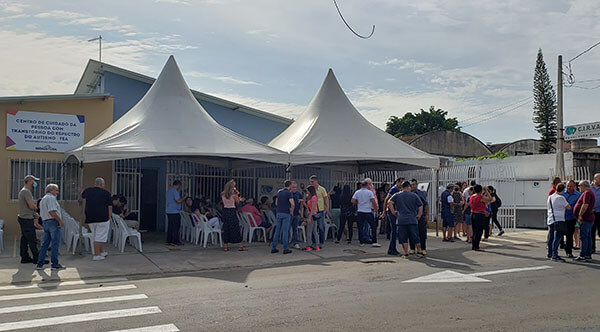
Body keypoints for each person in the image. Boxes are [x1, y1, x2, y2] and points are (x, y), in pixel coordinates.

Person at [389, 181, 424, 258]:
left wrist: (393, 212)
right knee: (415, 236)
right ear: (409, 187)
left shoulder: (396, 195)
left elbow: (390, 202)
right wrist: (419, 214)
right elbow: (420, 205)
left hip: (401, 219)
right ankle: (419, 251)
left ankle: (405, 253)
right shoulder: (414, 195)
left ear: (402, 187)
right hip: (412, 219)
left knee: (403, 237)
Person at [81, 177, 112, 261]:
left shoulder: (88, 191)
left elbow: (82, 195)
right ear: (102, 184)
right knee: (100, 237)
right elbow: (109, 207)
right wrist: (109, 217)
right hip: (102, 217)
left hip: (90, 217)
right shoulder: (106, 193)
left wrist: (82, 190)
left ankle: (101, 251)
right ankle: (96, 254)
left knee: (96, 235)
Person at [36, 184, 65, 271]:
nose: (57, 192)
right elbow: (52, 211)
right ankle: (54, 264)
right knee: (55, 243)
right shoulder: (51, 198)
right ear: (51, 190)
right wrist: (60, 220)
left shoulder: (43, 199)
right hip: (53, 222)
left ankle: (40, 263)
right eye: (56, 190)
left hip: (45, 222)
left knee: (45, 244)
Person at [17, 175, 41, 264]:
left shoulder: (23, 191)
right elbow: (31, 205)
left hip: (23, 217)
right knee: (32, 239)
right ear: (29, 181)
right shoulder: (26, 192)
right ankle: (37, 258)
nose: (35, 183)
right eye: (34, 181)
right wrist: (36, 209)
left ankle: (24, 257)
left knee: (25, 239)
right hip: (27, 219)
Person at [546, 183, 570, 262]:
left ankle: (549, 253)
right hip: (559, 219)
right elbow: (568, 207)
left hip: (551, 219)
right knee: (557, 238)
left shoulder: (550, 197)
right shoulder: (561, 198)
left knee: (551, 238)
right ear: (563, 190)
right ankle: (555, 255)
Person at [352, 180, 379, 247]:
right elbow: (373, 201)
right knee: (373, 226)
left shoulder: (357, 192)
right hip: (368, 211)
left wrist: (357, 203)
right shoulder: (369, 192)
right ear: (367, 185)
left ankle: (361, 242)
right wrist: (376, 209)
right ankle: (374, 241)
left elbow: (352, 200)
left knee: (360, 227)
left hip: (360, 211)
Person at [221, 180, 246, 252]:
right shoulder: (234, 195)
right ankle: (240, 245)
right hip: (232, 211)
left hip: (225, 211)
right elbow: (238, 201)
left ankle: (225, 246)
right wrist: (238, 196)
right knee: (235, 227)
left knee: (226, 228)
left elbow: (224, 202)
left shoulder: (223, 194)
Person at [574, 180, 596, 261]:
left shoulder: (587, 193)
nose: (579, 187)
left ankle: (583, 254)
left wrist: (580, 215)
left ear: (584, 185)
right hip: (589, 218)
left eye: (579, 185)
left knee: (583, 237)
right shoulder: (589, 192)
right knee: (588, 236)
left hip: (585, 218)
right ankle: (588, 254)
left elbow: (585, 205)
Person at [271, 181, 294, 254]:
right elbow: (292, 204)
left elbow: (276, 203)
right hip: (286, 213)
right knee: (285, 231)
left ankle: (273, 247)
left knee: (277, 230)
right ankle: (285, 248)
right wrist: (291, 211)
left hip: (279, 212)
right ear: (289, 186)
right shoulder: (289, 193)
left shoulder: (279, 192)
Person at [470, 184, 494, 252]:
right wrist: (486, 191)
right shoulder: (480, 197)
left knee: (474, 231)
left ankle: (474, 245)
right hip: (479, 214)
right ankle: (476, 246)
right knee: (479, 231)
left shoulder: (472, 196)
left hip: (473, 214)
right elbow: (490, 199)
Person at [383, 178, 403, 255]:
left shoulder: (398, 189)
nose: (401, 184)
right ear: (397, 182)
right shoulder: (394, 189)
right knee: (394, 230)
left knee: (395, 231)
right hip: (392, 212)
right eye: (400, 182)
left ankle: (391, 248)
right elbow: (387, 200)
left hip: (394, 211)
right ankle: (392, 249)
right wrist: (385, 211)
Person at [410, 179, 429, 255]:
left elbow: (426, 204)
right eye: (411, 185)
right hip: (411, 215)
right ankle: (412, 248)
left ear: (416, 185)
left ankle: (423, 248)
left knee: (422, 232)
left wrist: (427, 215)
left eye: (414, 184)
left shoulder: (421, 193)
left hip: (421, 215)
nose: (413, 186)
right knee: (411, 232)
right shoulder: (408, 194)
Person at [563, 180, 581, 258]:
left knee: (569, 235)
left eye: (571, 186)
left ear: (574, 187)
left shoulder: (578, 195)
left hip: (571, 217)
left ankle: (568, 251)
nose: (569, 188)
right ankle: (553, 252)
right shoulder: (562, 194)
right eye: (568, 186)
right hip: (561, 217)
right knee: (558, 235)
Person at [309, 175, 329, 246]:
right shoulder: (310, 190)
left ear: (316, 181)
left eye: (312, 181)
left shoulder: (322, 189)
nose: (311, 183)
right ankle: (314, 241)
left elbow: (326, 198)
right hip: (313, 211)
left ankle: (321, 241)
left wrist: (327, 207)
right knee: (313, 228)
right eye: (310, 182)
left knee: (320, 226)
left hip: (320, 210)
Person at [166, 180, 187, 246]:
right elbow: (178, 201)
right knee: (176, 227)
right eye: (180, 186)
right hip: (174, 211)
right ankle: (175, 241)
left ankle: (169, 240)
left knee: (170, 226)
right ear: (178, 185)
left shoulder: (169, 191)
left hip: (169, 211)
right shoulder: (175, 191)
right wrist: (184, 197)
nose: (180, 187)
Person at [303, 186, 320, 251]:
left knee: (310, 231)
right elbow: (308, 206)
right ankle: (316, 245)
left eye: (308, 191)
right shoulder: (310, 197)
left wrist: (309, 217)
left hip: (312, 214)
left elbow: (313, 208)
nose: (307, 192)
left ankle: (309, 245)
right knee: (314, 230)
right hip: (311, 213)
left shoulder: (314, 197)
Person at [290, 183, 304, 249]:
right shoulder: (289, 194)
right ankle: (286, 242)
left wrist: (301, 214)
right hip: (289, 214)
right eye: (293, 187)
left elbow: (301, 205)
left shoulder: (298, 194)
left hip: (296, 214)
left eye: (295, 187)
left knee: (295, 229)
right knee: (287, 229)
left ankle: (295, 242)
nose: (294, 189)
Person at [590, 173, 600, 253]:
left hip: (599, 211)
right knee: (592, 230)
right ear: (594, 179)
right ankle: (592, 247)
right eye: (598, 178)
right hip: (592, 211)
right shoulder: (589, 188)